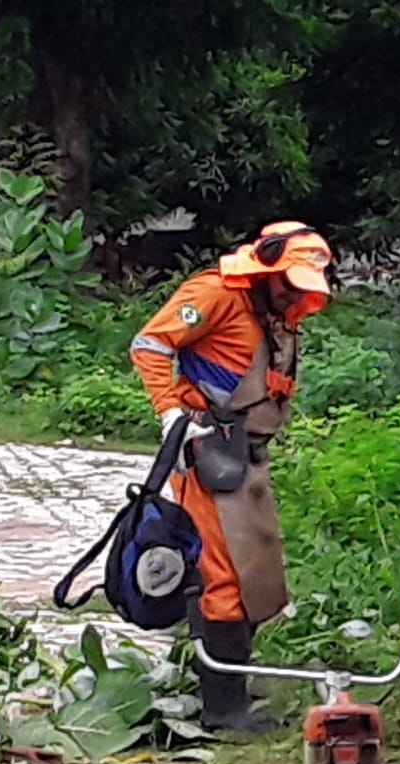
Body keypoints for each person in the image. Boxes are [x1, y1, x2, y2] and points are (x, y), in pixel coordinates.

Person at [129, 220, 333, 734]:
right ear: (266, 265)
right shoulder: (216, 293)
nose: (295, 294)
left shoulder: (276, 312)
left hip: (248, 456)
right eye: (289, 282)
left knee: (257, 575)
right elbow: (150, 345)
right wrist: (171, 414)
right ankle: (222, 709)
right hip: (209, 455)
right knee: (223, 577)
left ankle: (227, 678)